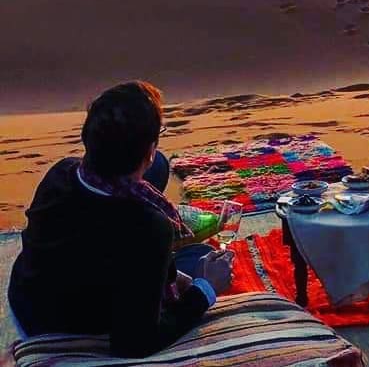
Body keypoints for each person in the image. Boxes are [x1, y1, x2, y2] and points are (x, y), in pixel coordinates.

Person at [8, 81, 233, 357]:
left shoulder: (61, 173)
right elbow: (136, 342)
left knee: (162, 168)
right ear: (147, 151)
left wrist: (168, 271)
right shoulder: (149, 227)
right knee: (201, 254)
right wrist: (205, 289)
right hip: (63, 329)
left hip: (26, 299)